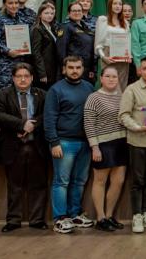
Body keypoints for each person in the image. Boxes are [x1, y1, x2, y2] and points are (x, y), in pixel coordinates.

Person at [44, 55, 95, 234]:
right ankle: (60, 218)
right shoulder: (55, 90)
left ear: (83, 69)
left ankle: (75, 214)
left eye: (78, 67)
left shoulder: (89, 88)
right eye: (71, 67)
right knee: (61, 182)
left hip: (85, 143)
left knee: (79, 181)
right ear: (64, 69)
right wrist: (54, 142)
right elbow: (49, 119)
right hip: (64, 143)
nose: (75, 70)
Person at [0, 63, 48, 232]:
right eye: (19, 76)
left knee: (38, 185)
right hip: (13, 146)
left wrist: (33, 125)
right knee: (14, 185)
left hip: (37, 146)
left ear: (32, 78)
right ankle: (13, 220)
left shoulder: (42, 94)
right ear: (13, 78)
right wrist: (21, 125)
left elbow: (48, 114)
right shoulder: (3, 94)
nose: (23, 79)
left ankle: (37, 220)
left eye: (26, 76)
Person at [119, 56, 146, 233]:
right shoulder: (131, 90)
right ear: (139, 70)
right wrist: (138, 128)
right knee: (137, 181)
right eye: (144, 68)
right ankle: (136, 216)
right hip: (137, 142)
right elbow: (123, 115)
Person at [83, 66, 127, 232]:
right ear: (101, 79)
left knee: (118, 181)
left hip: (121, 142)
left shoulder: (122, 96)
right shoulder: (93, 98)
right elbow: (89, 124)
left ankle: (109, 216)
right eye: (107, 76)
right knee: (100, 181)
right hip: (102, 144)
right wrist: (95, 147)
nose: (111, 79)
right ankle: (100, 217)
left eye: (114, 77)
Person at [0, 0, 29, 90]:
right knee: (5, 95)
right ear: (4, 4)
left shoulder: (22, 19)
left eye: (16, 3)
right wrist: (8, 51)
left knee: (20, 94)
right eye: (10, 3)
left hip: (20, 65)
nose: (14, 6)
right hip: (5, 66)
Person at [95, 0, 131, 90]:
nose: (118, 6)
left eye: (120, 4)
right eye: (115, 3)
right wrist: (103, 57)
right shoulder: (103, 20)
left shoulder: (125, 23)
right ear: (110, 5)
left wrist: (128, 55)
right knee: (109, 84)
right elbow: (98, 44)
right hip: (108, 55)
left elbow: (127, 42)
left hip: (123, 58)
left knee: (122, 84)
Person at [56, 2, 96, 84]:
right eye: (74, 11)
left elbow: (90, 49)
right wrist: (64, 68)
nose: (77, 13)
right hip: (72, 69)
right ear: (69, 13)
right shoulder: (66, 27)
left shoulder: (86, 27)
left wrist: (92, 68)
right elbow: (61, 50)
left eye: (79, 10)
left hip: (86, 69)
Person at [30, 0, 59, 90]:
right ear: (40, 14)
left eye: (51, 13)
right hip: (43, 71)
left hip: (52, 69)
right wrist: (42, 73)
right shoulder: (37, 29)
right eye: (46, 13)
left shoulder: (52, 28)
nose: (50, 15)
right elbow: (36, 53)